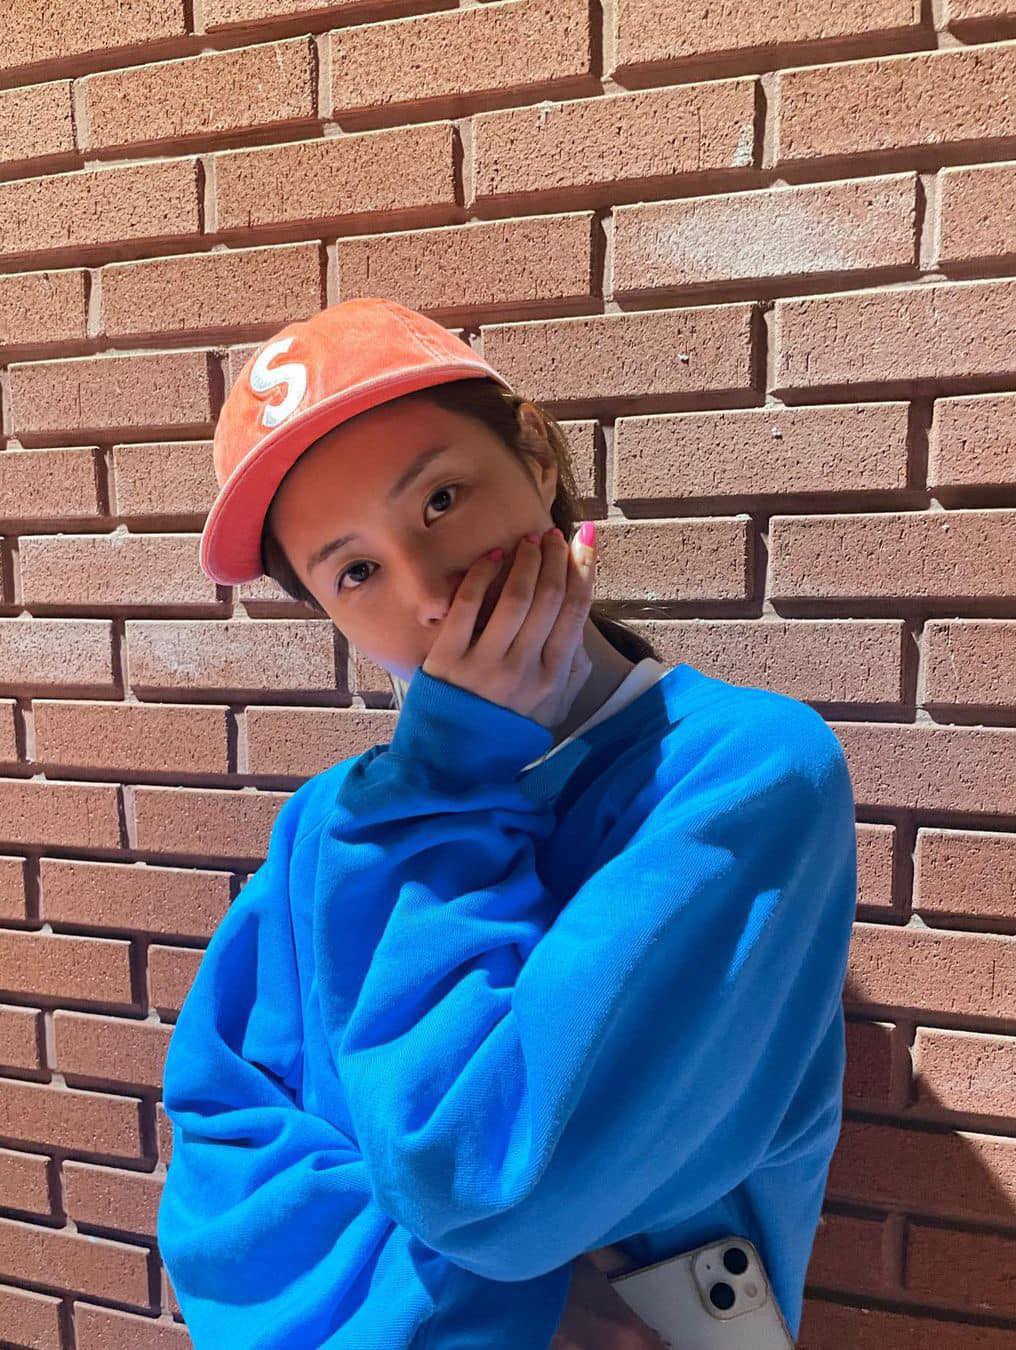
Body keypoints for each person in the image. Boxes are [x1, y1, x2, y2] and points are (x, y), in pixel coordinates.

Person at [157, 297, 858, 1348]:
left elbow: (486, 1188)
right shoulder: (328, 825)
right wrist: (498, 1304)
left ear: (534, 455)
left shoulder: (743, 776)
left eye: (441, 499)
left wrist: (449, 783)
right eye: (355, 571)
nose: (429, 592)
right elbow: (220, 1163)